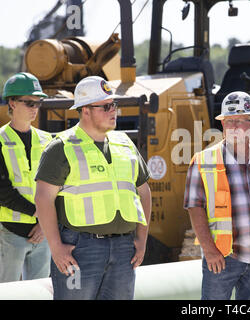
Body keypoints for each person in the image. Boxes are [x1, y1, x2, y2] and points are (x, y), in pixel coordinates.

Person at [34, 76, 151, 300]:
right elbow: (43, 199)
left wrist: (142, 239)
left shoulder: (125, 143)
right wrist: (56, 248)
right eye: (105, 106)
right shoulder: (61, 147)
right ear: (85, 110)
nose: (113, 111)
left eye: (114, 105)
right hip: (80, 250)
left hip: (124, 248)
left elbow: (144, 192)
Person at [184, 91, 250, 300]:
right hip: (222, 257)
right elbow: (194, 206)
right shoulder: (204, 160)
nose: (232, 127)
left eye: (239, 121)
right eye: (228, 121)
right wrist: (209, 249)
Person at [0, 72, 52, 282]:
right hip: (11, 234)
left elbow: (59, 187)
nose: (35, 109)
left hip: (43, 234)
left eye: (38, 103)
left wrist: (44, 224)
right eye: (29, 103)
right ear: (12, 102)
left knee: (39, 294)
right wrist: (41, 216)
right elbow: (3, 193)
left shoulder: (48, 140)